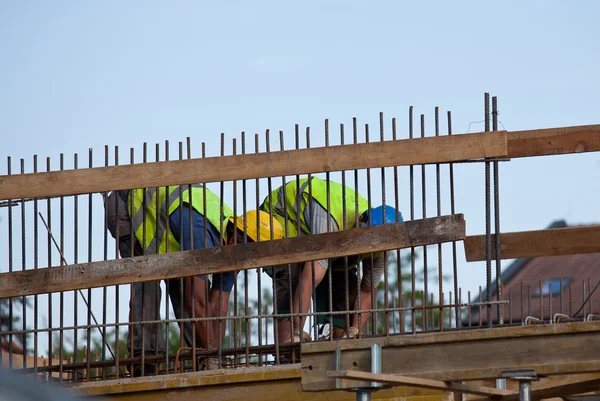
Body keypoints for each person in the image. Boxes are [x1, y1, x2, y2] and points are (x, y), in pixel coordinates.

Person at [106, 184, 284, 374]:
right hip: (128, 206)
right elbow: (197, 304)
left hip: (169, 228)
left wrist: (217, 354)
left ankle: (201, 355)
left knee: (185, 287)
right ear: (236, 236)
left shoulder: (237, 248)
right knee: (148, 280)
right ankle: (144, 359)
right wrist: (214, 355)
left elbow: (217, 308)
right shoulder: (200, 232)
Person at [260, 176, 402, 345]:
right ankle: (286, 348)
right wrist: (298, 330)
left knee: (345, 283)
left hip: (325, 228)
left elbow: (367, 290)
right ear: (360, 223)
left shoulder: (382, 246)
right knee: (291, 272)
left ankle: (335, 343)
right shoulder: (329, 223)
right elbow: (309, 279)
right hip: (283, 214)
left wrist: (355, 330)